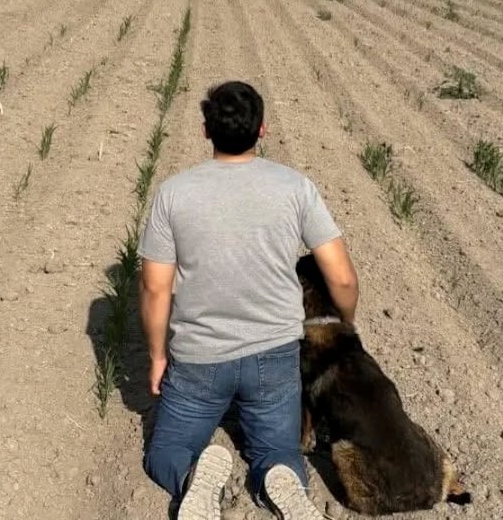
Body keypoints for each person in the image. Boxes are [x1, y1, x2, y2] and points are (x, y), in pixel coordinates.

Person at [137, 80, 360, 519]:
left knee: (164, 453)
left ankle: (191, 472)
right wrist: (344, 324)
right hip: (273, 357)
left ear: (205, 131)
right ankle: (280, 475)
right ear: (263, 130)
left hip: (200, 360)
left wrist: (157, 355)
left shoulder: (173, 194)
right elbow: (342, 277)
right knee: (279, 449)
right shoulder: (295, 187)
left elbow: (155, 288)